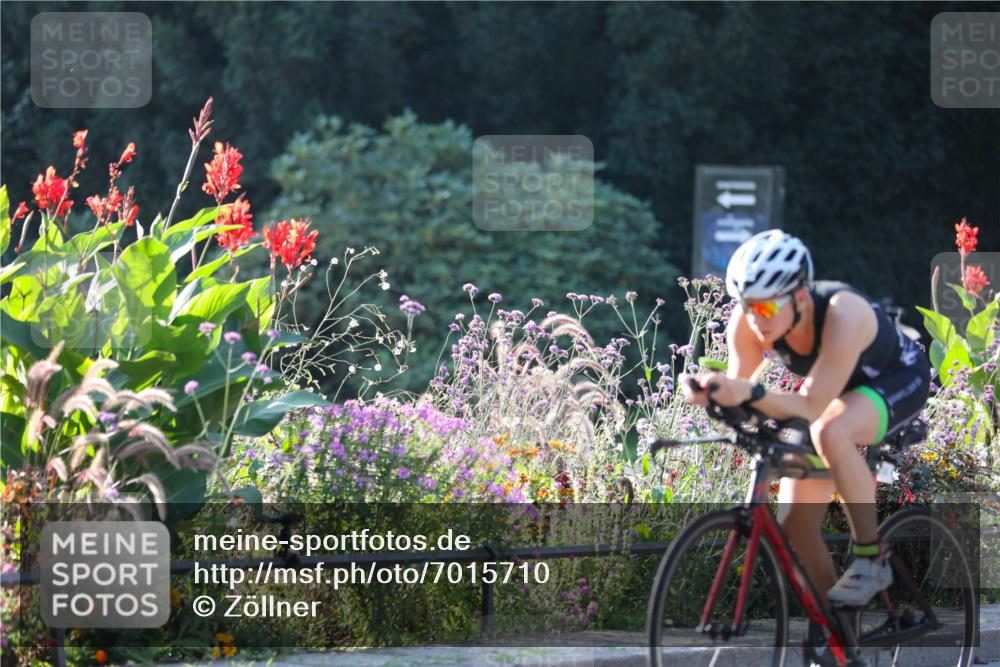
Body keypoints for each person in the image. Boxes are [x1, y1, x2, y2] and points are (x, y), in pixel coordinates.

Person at [680, 229, 930, 608]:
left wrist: (750, 395)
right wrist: (710, 393)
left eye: (764, 307)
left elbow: (811, 405)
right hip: (830, 394)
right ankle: (840, 636)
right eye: (745, 305)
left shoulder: (842, 313)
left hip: (897, 378)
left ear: (799, 296)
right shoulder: (748, 323)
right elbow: (742, 390)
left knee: (830, 428)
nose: (753, 318)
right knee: (795, 525)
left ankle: (871, 556)